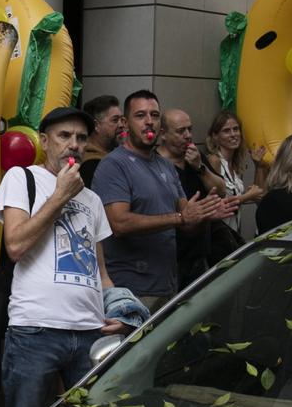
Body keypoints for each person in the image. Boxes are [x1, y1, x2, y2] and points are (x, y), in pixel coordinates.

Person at [0, 107, 124, 407]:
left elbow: (101, 271)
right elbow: (15, 246)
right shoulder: (21, 178)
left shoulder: (92, 199)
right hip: (36, 330)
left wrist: (120, 308)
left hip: (90, 333)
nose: (74, 144)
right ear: (44, 141)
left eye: (81, 138)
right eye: (64, 136)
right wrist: (60, 196)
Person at [99, 90, 234, 308]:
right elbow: (119, 223)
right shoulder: (113, 165)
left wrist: (203, 215)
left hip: (169, 285)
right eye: (140, 115)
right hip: (132, 289)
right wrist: (180, 217)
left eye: (154, 115)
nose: (149, 121)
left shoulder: (164, 165)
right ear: (125, 122)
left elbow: (186, 225)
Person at [157, 108, 213, 285]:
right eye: (181, 131)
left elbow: (220, 189)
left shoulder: (195, 156)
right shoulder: (155, 163)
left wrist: (200, 167)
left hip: (199, 253)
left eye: (190, 129)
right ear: (163, 134)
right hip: (171, 258)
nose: (188, 135)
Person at [200, 109, 265, 243]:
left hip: (233, 234)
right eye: (226, 130)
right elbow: (216, 204)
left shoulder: (233, 165)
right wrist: (247, 196)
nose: (233, 134)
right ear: (215, 136)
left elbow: (258, 194)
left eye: (236, 129)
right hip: (216, 237)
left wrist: (258, 166)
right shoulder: (214, 160)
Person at [78, 94, 123, 188]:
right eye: (115, 120)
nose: (121, 125)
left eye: (122, 120)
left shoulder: (112, 157)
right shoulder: (91, 165)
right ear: (96, 125)